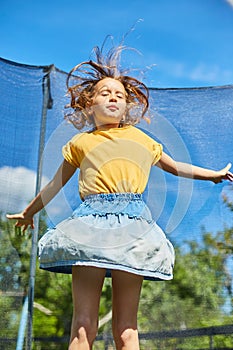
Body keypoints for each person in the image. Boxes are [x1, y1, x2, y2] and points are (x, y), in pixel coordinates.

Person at [7, 44, 233, 350]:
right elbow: (54, 184)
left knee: (127, 328)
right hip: (89, 225)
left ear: (127, 107)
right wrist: (29, 212)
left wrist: (213, 174)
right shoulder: (80, 142)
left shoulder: (141, 139)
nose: (113, 97)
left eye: (119, 95)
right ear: (88, 105)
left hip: (133, 228)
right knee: (83, 324)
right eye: (104, 93)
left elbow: (176, 166)